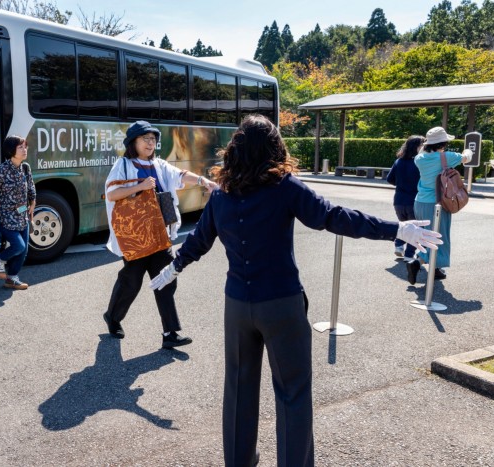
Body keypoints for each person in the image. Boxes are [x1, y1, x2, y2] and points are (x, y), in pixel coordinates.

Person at [148, 115, 442, 466]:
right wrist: (396, 229)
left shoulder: (221, 195)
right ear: (275, 148)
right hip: (281, 304)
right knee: (293, 393)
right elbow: (333, 216)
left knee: (239, 390)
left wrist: (174, 266)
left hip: (238, 306)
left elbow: (199, 240)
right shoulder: (284, 187)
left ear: (235, 150)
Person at [103, 120, 218, 349]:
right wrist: (140, 186)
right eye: (145, 139)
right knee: (131, 282)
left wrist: (203, 181)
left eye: (153, 139)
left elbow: (181, 175)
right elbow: (111, 194)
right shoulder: (123, 165)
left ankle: (170, 333)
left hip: (160, 235)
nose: (150, 142)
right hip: (136, 237)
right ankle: (113, 317)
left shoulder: (160, 164)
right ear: (132, 143)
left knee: (165, 281)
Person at [405, 126, 473, 285]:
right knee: (438, 237)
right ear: (443, 143)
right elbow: (466, 157)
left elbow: (423, 152)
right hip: (437, 204)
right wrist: (468, 151)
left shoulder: (419, 158)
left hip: (420, 202)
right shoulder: (446, 157)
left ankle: (433, 268)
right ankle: (417, 263)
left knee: (425, 235)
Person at [0, 135, 36, 290]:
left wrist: (32, 205)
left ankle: (11, 279)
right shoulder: (2, 170)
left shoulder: (25, 168)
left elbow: (31, 188)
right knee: (18, 245)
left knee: (24, 250)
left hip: (22, 215)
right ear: (12, 150)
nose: (24, 150)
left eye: (25, 146)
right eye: (20, 147)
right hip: (6, 217)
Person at [386, 135, 424, 261]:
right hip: (414, 201)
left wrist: (402, 184)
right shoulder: (419, 163)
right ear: (418, 147)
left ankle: (398, 245)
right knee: (415, 229)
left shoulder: (399, 161)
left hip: (399, 201)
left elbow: (389, 179)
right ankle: (409, 254)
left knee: (404, 226)